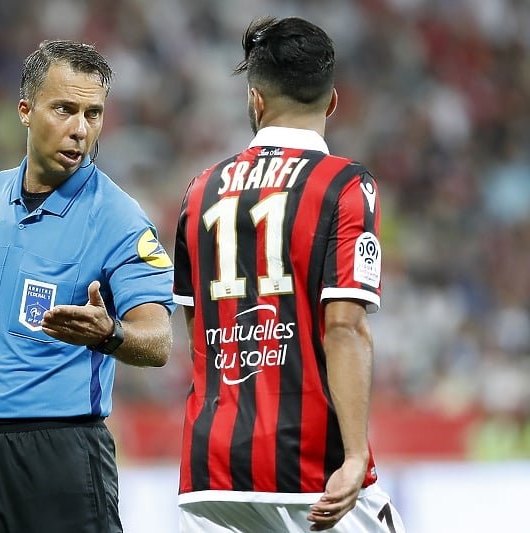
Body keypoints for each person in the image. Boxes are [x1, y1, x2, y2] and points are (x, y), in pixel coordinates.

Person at [0, 39, 175, 533]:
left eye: (93, 113)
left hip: (62, 456)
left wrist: (111, 334)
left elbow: (159, 340)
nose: (80, 130)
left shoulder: (119, 218)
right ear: (25, 110)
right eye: (64, 109)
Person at [172, 17, 406, 533]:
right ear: (333, 101)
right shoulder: (346, 185)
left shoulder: (198, 190)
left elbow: (196, 332)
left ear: (255, 100)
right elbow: (343, 325)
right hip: (310, 466)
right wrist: (352, 458)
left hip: (211, 473)